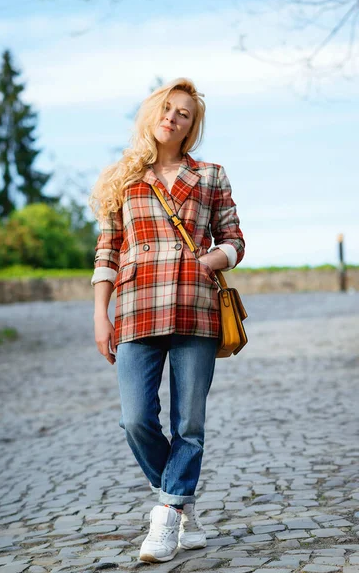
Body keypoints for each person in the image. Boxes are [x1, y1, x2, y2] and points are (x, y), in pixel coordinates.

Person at [89, 77, 245, 563]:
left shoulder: (211, 175)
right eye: (167, 108)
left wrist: (208, 262)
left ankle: (166, 514)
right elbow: (107, 250)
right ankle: (181, 503)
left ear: (191, 126)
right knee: (134, 419)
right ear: (152, 113)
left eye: (184, 113)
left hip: (196, 309)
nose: (173, 117)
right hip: (136, 310)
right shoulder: (123, 177)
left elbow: (235, 241)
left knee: (189, 424)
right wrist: (100, 311)